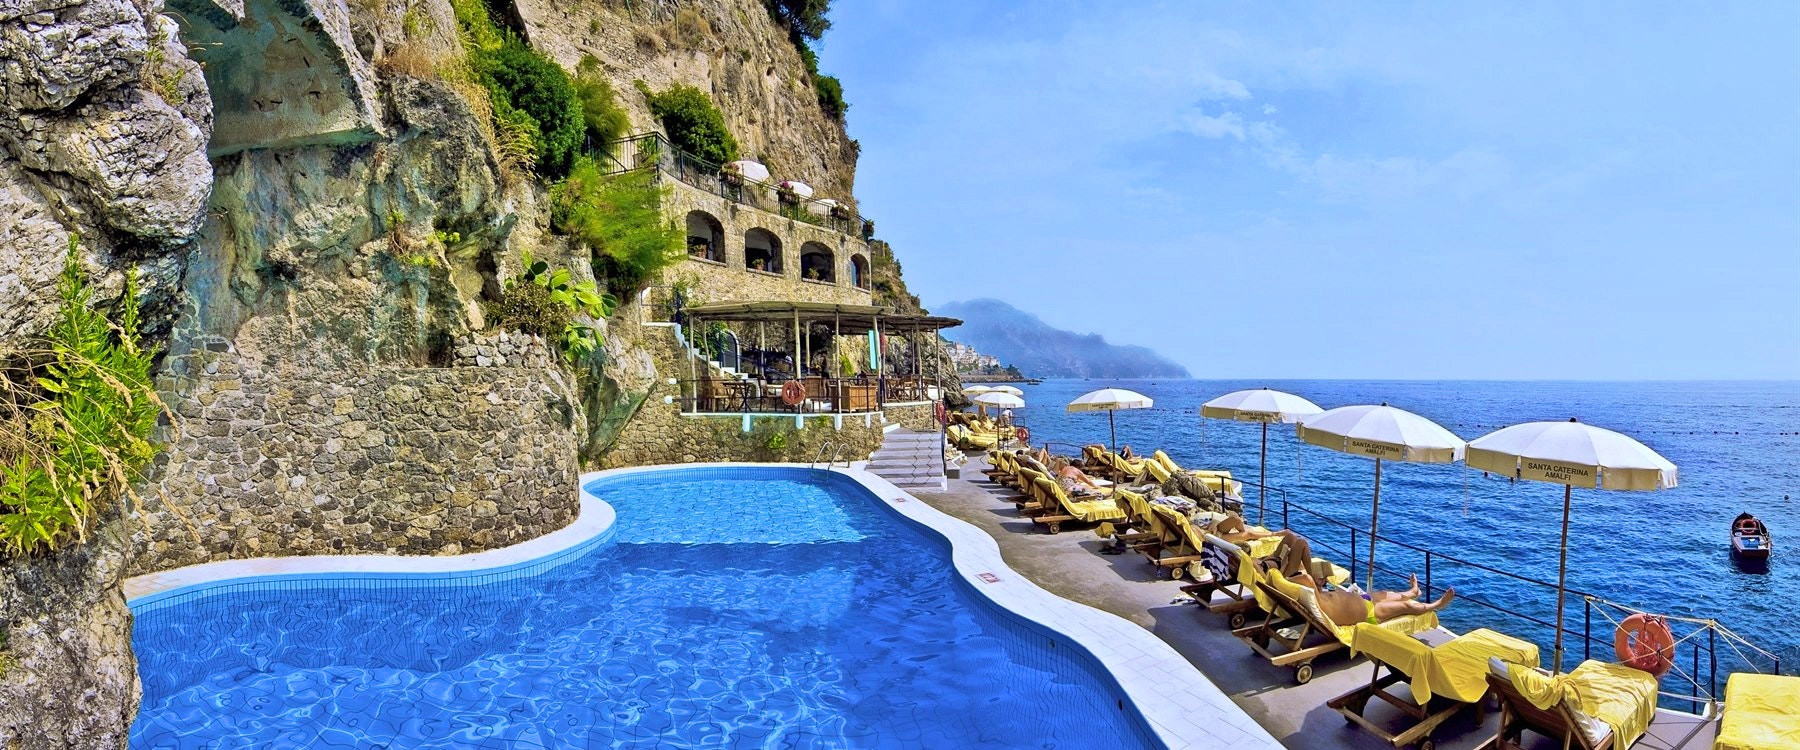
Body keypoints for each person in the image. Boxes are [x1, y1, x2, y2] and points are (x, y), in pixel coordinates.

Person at [1258, 531, 1455, 626]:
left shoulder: (1302, 587)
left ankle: (1413, 591)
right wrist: (1307, 576)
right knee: (1408, 606)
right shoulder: (1307, 583)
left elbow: (1302, 572)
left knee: (1392, 594)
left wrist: (1285, 568)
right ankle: (1436, 604)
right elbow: (1307, 577)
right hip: (1368, 612)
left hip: (1361, 600)